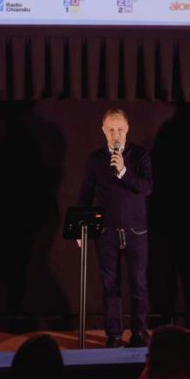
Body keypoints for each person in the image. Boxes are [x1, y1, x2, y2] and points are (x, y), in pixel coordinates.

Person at [77, 108, 153, 348]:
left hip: (135, 231)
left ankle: (139, 332)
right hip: (105, 231)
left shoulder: (139, 155)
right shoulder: (95, 159)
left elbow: (147, 187)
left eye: (120, 129)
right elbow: (86, 194)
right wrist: (80, 228)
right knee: (110, 285)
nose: (116, 134)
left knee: (138, 283)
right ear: (103, 131)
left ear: (127, 129)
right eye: (111, 130)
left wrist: (123, 172)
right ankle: (115, 334)